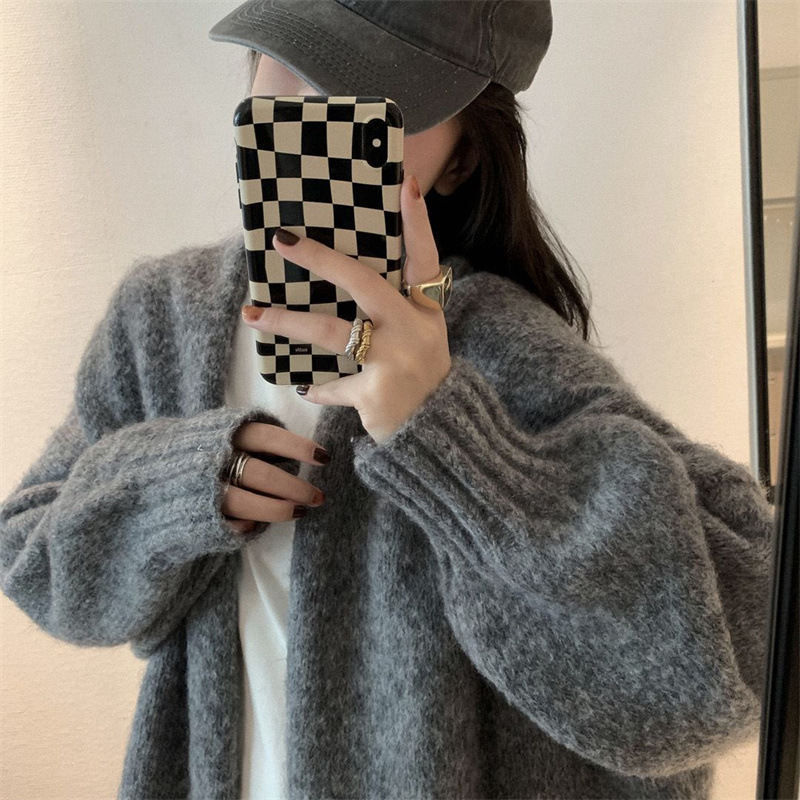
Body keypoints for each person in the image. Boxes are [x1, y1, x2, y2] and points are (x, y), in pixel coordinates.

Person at [0, 2, 775, 799]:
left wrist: (446, 433)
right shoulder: (163, 320)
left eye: (374, 97)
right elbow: (31, 558)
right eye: (295, 59)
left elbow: (741, 649)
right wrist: (177, 490)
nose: (318, 109)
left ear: (461, 159)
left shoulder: (505, 344)